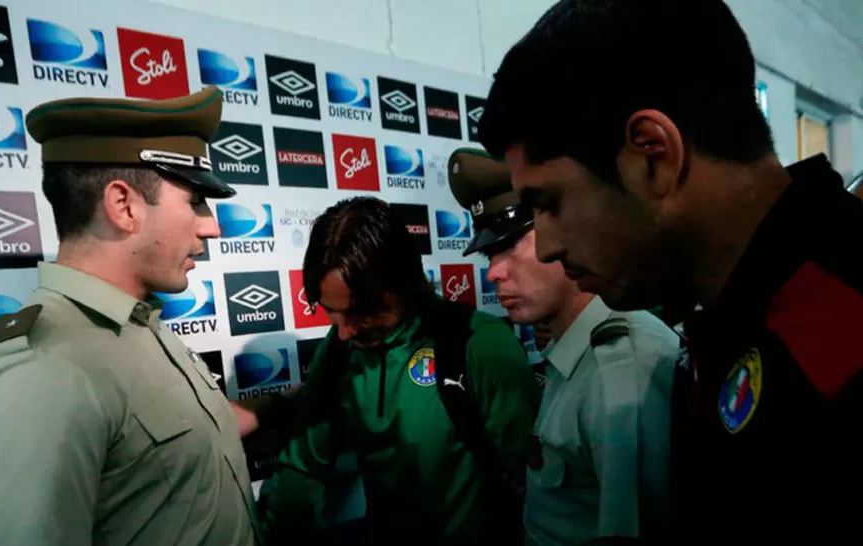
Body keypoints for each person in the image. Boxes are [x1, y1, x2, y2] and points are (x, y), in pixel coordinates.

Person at [477, 0, 863, 543]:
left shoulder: (841, 332)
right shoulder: (736, 314)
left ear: (652, 155)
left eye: (552, 203)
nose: (547, 248)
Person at [0, 86, 260, 546]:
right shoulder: (39, 375)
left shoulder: (136, 323)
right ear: (124, 206)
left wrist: (295, 403)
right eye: (195, 200)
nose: (211, 225)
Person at [256, 196, 539, 545]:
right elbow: (302, 465)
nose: (344, 331)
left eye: (361, 311)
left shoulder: (479, 344)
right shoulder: (341, 347)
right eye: (331, 312)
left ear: (402, 285)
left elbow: (536, 487)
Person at [448, 147, 680, 545]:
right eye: (489, 253)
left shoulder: (620, 370)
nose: (492, 273)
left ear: (564, 231)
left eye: (509, 245)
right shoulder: (573, 350)